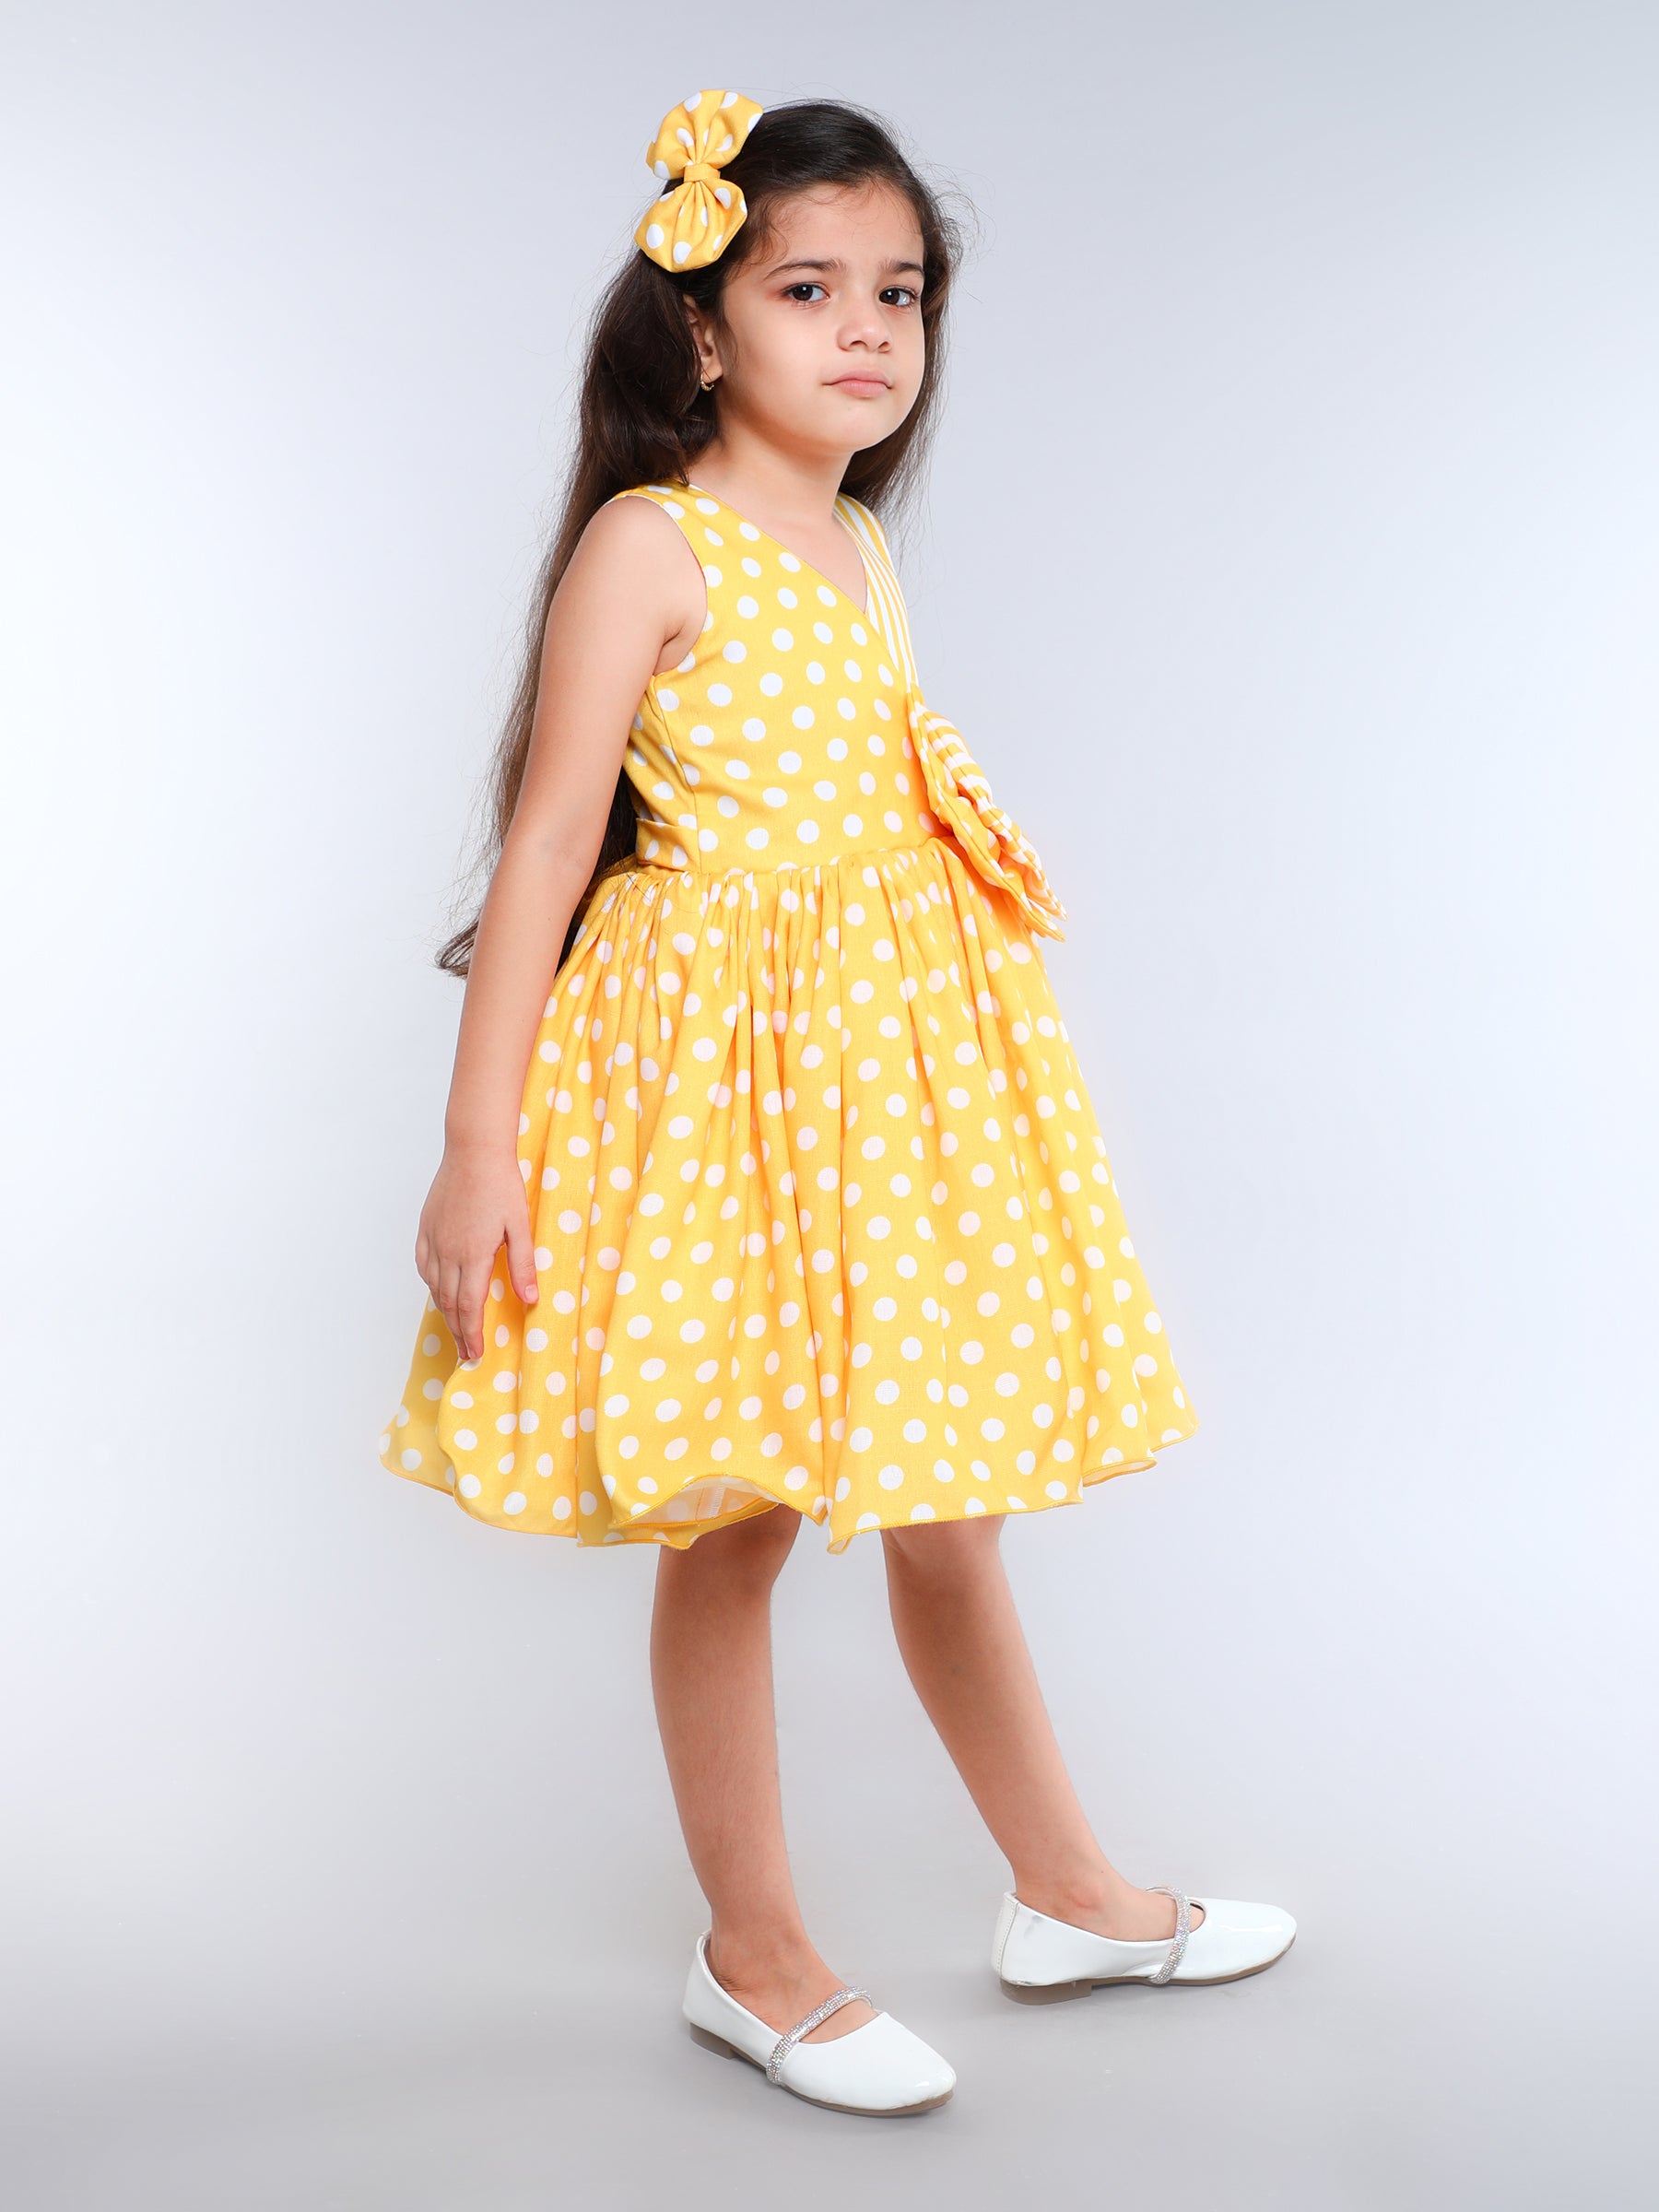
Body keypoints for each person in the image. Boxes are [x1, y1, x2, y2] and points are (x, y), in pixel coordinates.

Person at [378, 88, 1294, 2119]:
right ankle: (756, 1952)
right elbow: (551, 847)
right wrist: (477, 1142)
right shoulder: (651, 543)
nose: (869, 329)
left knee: (951, 1510)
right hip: (733, 1109)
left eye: (903, 292)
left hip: (888, 1096)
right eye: (809, 289)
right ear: (703, 330)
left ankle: (1069, 1892)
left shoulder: (860, 541)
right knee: (744, 1520)